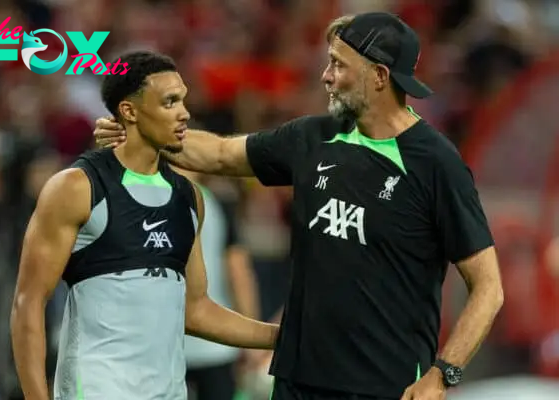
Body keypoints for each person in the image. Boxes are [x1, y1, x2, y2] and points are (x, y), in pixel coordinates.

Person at [94, 13, 504, 400]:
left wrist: (443, 373)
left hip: (386, 385)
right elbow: (218, 154)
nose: (326, 76)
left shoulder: (436, 164)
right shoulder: (312, 137)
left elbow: (488, 287)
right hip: (298, 379)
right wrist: (142, 129)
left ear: (379, 76)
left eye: (339, 65)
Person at [10, 51, 278, 400]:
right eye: (170, 102)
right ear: (129, 111)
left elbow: (196, 310)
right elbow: (28, 304)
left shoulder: (189, 198)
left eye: (183, 99)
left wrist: (280, 337)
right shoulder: (77, 188)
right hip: (95, 390)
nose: (185, 113)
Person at [181, 170, 262, 400]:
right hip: (215, 342)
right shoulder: (217, 203)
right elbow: (238, 271)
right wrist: (250, 338)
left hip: (160, 347)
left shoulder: (140, 198)